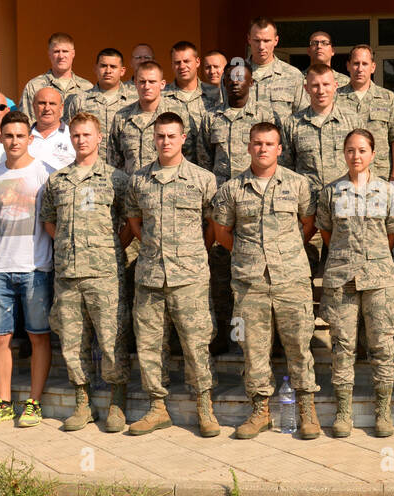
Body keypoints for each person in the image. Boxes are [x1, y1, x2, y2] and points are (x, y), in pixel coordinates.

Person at [211, 123, 320, 439]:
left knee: (299, 346)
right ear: (248, 147)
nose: (263, 149)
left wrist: (284, 254)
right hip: (250, 283)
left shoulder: (298, 184)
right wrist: (250, 255)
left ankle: (306, 410)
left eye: (269, 144)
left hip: (292, 280)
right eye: (257, 143)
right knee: (252, 349)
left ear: (279, 149)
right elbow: (221, 233)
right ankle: (260, 411)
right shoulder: (232, 189)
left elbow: (308, 224)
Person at [126, 113, 220, 436]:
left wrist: (195, 252)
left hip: (190, 275)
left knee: (196, 343)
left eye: (171, 136)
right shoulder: (139, 180)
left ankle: (204, 406)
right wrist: (153, 248)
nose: (165, 141)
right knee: (150, 344)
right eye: (160, 136)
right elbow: (134, 221)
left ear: (183, 139)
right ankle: (157, 406)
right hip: (150, 274)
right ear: (154, 139)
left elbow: (215, 224)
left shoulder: (202, 179)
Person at [40, 112, 133, 434]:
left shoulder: (115, 179)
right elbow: (49, 221)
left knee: (110, 340)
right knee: (73, 342)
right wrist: (70, 246)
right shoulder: (57, 180)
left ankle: (116, 402)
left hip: (105, 274)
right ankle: (83, 402)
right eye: (76, 135)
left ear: (99, 138)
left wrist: (106, 249)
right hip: (67, 274)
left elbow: (130, 224)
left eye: (87, 135)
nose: (81, 140)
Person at [316, 129, 394, 438]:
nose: (356, 156)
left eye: (362, 150)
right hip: (342, 277)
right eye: (351, 150)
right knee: (342, 346)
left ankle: (383, 411)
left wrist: (371, 258)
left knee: (381, 345)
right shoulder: (330, 192)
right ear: (344, 153)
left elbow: (391, 234)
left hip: (378, 278)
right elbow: (326, 233)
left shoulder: (387, 192)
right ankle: (343, 411)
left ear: (373, 154)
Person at [0, 111, 57, 429]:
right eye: (8, 136)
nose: (14, 141)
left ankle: (34, 403)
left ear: (29, 138)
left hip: (37, 266)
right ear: (0, 138)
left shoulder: (46, 173)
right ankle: (4, 402)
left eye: (20, 136)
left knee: (38, 337)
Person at [204, 60, 278, 355]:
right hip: (223, 205)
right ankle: (224, 334)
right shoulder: (210, 119)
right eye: (230, 78)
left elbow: (274, 157)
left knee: (262, 277)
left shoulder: (265, 116)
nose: (235, 82)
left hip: (257, 203)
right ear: (223, 82)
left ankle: (269, 342)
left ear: (251, 82)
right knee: (221, 272)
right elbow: (204, 160)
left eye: (241, 78)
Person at [281, 63, 363, 276]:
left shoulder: (352, 120)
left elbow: (361, 162)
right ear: (306, 88)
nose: (321, 90)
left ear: (336, 85)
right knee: (302, 268)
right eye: (315, 85)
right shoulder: (293, 124)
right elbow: (286, 168)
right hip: (305, 208)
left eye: (326, 84)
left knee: (342, 269)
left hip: (343, 204)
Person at [112, 61, 204, 174]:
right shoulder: (122, 117)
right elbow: (114, 161)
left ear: (162, 84)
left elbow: (191, 154)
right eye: (142, 82)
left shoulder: (179, 114)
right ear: (135, 83)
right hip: (132, 188)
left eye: (152, 82)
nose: (146, 86)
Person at [338, 45, 394, 182]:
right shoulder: (335, 98)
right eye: (356, 64)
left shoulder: (388, 98)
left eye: (365, 64)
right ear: (348, 66)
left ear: (373, 67)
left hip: (379, 176)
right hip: (343, 176)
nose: (360, 69)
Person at [64, 48, 136, 165]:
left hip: (125, 171)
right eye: (103, 66)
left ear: (122, 71)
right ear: (95, 69)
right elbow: (69, 135)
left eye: (113, 67)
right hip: (90, 172)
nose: (108, 70)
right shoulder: (80, 100)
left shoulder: (134, 100)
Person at [22, 32, 92, 112]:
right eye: (56, 51)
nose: (61, 56)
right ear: (49, 54)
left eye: (65, 51)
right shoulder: (34, 86)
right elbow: (26, 122)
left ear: (73, 54)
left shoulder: (87, 88)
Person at [248, 17, 306, 114]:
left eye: (266, 41)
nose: (261, 47)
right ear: (249, 40)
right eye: (257, 41)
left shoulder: (293, 75)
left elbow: (302, 116)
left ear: (276, 40)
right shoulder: (235, 74)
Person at [28, 86, 75, 169]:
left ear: (61, 108)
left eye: (52, 104)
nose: (47, 108)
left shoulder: (73, 136)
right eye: (42, 103)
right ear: (34, 107)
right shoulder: (22, 137)